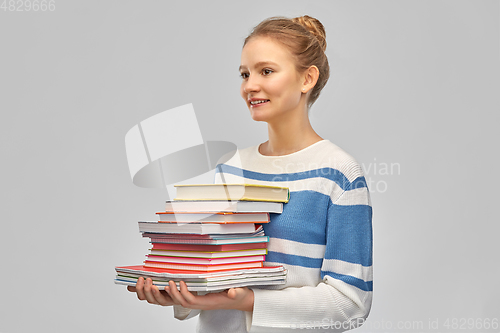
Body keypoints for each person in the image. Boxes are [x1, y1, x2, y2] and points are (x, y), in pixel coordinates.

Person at [127, 15, 373, 332]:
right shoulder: (229, 168)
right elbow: (206, 268)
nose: (249, 86)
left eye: (266, 71)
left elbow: (351, 304)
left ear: (306, 79)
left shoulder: (340, 173)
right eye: (245, 74)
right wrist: (174, 291)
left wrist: (248, 301)